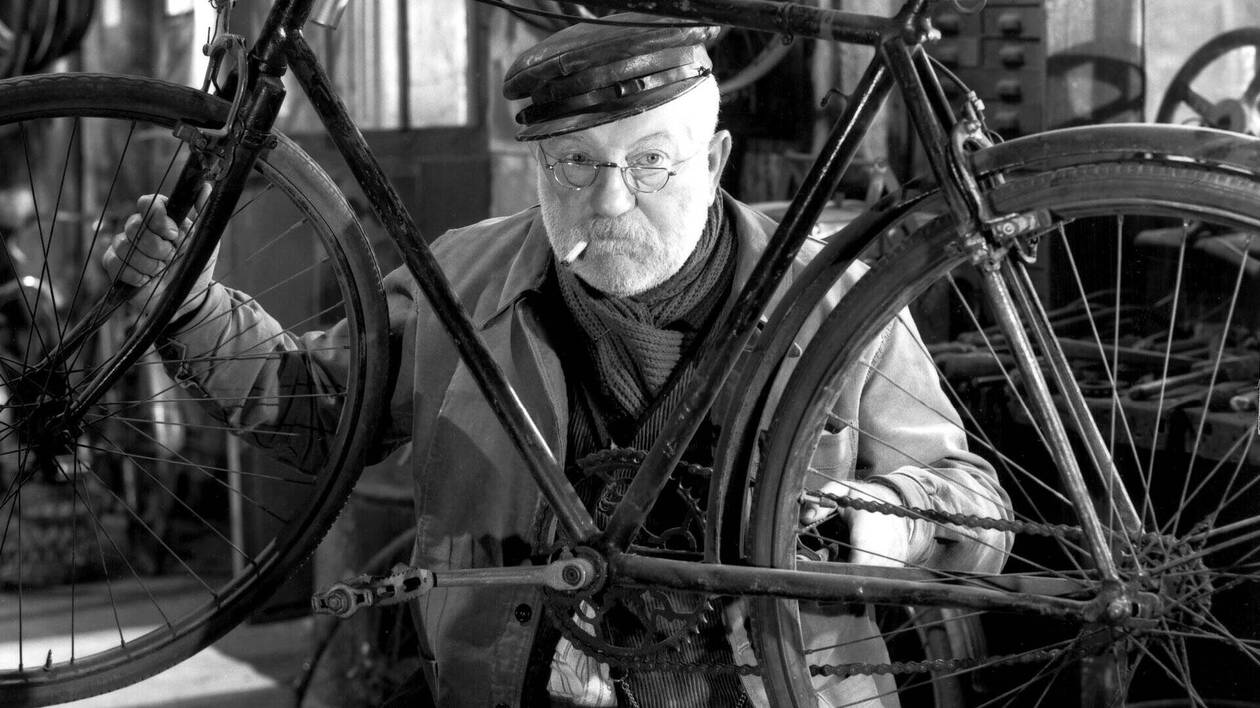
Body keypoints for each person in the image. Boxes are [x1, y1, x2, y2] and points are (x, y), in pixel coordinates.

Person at [103, 14, 1012, 708]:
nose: (610, 198)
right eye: (573, 164)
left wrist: (881, 523)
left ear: (717, 156)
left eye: (650, 161)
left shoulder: (833, 300)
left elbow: (980, 508)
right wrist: (183, 304)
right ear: (534, 165)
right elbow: (313, 409)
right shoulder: (460, 278)